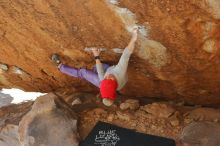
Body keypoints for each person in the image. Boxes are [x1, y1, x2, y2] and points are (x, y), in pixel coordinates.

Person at [52, 28, 138, 106]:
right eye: (108, 79)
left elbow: (101, 72)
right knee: (100, 68)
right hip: (111, 70)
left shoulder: (102, 81)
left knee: (83, 72)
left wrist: (96, 55)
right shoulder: (120, 71)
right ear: (114, 82)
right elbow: (127, 53)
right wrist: (134, 37)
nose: (107, 77)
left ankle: (60, 66)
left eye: (106, 79)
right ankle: (93, 70)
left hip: (107, 73)